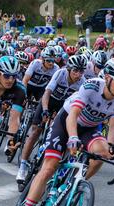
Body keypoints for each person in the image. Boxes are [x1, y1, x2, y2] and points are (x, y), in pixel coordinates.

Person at [14, 58, 114, 206]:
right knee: (49, 167)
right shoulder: (91, 86)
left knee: (103, 153)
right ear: (108, 78)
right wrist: (72, 138)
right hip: (66, 122)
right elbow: (73, 115)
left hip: (89, 129)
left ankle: (77, 182)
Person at [16, 55, 88, 184]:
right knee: (35, 131)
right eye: (75, 71)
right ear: (69, 69)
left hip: (64, 106)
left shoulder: (82, 82)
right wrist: (44, 110)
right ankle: (23, 165)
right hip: (49, 101)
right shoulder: (60, 73)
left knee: (64, 134)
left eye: (81, 71)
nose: (78, 74)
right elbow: (47, 94)